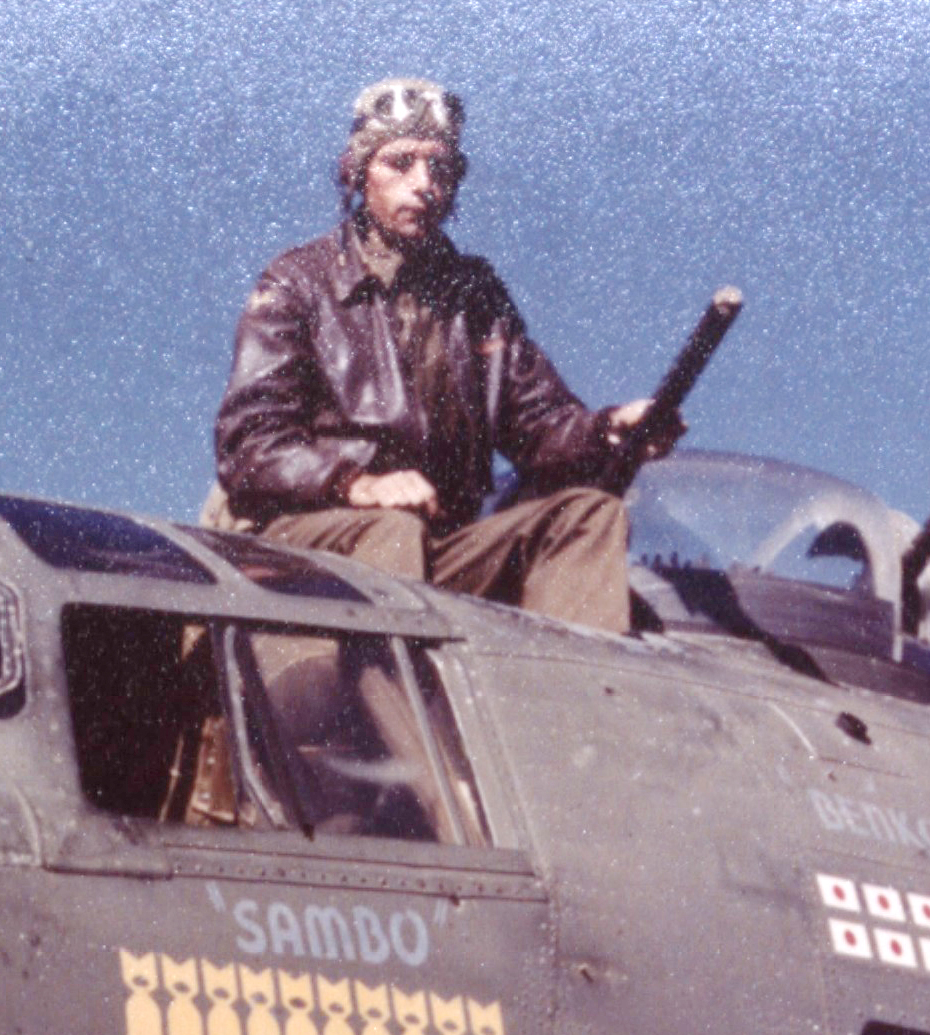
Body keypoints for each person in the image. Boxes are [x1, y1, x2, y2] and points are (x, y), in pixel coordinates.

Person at [212, 76, 678, 633]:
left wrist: (608, 430)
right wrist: (355, 485)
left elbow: (541, 428)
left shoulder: (475, 296)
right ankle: (384, 719)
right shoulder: (298, 283)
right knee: (390, 529)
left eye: (442, 168)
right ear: (359, 173)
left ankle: (577, 715)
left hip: (436, 547)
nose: (424, 183)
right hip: (312, 544)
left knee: (587, 517)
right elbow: (249, 445)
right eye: (400, 163)